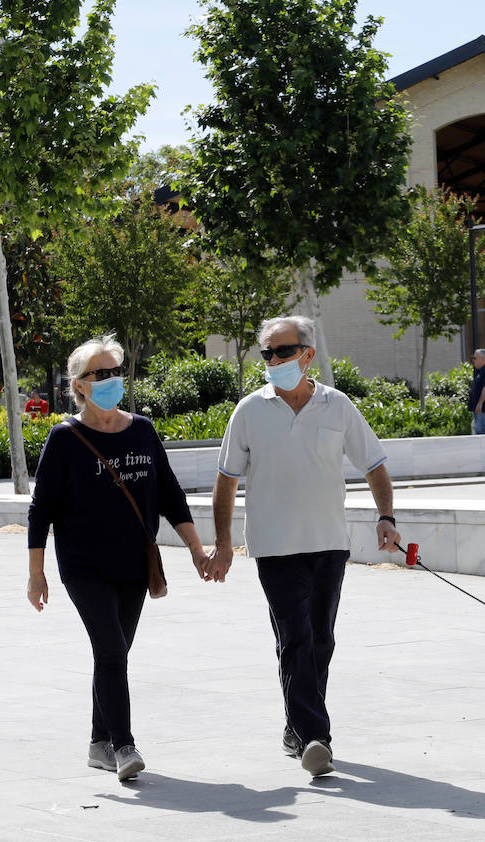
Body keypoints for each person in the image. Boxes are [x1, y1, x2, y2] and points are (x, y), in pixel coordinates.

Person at [209, 315, 401, 779]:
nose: (274, 361)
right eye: (268, 354)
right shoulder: (249, 411)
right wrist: (222, 544)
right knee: (295, 637)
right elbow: (226, 481)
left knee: (321, 640)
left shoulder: (338, 406)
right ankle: (317, 737)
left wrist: (386, 517)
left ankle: (297, 729)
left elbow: (374, 463)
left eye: (283, 352)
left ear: (307, 355)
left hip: (329, 544)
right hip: (274, 548)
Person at [26, 334, 212, 782]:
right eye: (100, 374)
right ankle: (123, 745)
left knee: (114, 654)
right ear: (80, 385)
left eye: (115, 372)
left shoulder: (143, 430)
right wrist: (37, 573)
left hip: (135, 565)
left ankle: (97, 743)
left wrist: (196, 549)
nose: (111, 380)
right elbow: (41, 509)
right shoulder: (65, 439)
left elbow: (169, 493)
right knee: (111, 650)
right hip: (84, 567)